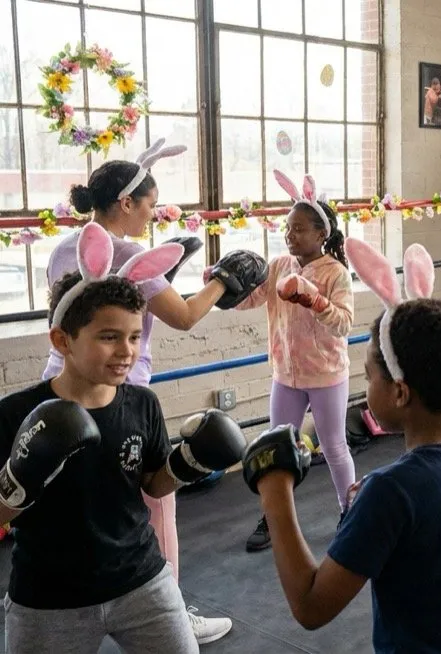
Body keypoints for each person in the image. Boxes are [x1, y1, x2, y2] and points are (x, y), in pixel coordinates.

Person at [242, 239, 441, 653]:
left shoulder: (390, 493)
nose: (365, 385)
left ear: (400, 393)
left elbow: (311, 606)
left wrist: (275, 494)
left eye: (371, 375)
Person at [42, 144, 265, 643]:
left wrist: (169, 270)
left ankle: (70, 607)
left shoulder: (65, 246)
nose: (153, 212)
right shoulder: (127, 252)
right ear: (125, 204)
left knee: (72, 500)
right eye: (149, 204)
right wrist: (222, 281)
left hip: (59, 383)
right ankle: (171, 611)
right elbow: (184, 317)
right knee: (154, 498)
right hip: (120, 394)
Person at [3, 223, 245, 653]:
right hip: (47, 598)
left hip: (142, 581)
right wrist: (18, 481)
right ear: (62, 340)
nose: (126, 352)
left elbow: (152, 484)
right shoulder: (17, 414)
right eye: (108, 337)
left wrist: (188, 463)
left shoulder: (141, 404)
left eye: (134, 337)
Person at [233, 171, 354, 552]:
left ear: (321, 234)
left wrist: (314, 301)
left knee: (333, 447)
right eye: (288, 228)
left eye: (299, 228)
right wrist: (222, 286)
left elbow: (344, 323)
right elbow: (251, 299)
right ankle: (272, 517)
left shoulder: (336, 273)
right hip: (286, 373)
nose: (290, 235)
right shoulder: (278, 265)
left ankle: (349, 512)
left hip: (326, 374)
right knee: (276, 447)